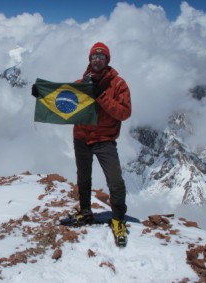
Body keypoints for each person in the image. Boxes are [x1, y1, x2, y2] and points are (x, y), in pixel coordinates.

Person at [72, 42, 131, 247]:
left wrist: (101, 95)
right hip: (82, 137)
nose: (97, 60)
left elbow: (124, 112)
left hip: (105, 139)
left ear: (107, 60)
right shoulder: (81, 83)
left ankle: (117, 218)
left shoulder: (118, 84)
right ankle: (85, 211)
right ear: (89, 60)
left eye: (101, 57)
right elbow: (63, 100)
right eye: (94, 57)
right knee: (83, 177)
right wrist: (42, 96)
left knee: (115, 180)